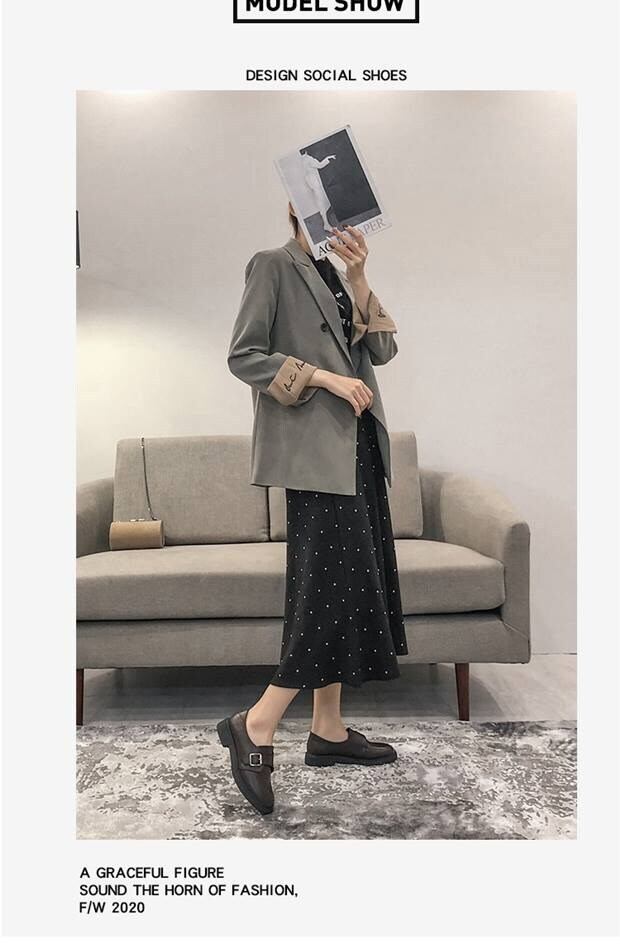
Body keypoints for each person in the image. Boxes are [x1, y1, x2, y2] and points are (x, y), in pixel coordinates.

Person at [218, 203, 408, 815]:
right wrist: (325, 378)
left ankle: (327, 729)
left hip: (359, 449)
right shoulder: (273, 265)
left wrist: (359, 276)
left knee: (345, 586)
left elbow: (383, 350)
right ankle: (256, 722)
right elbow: (244, 355)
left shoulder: (336, 274)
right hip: (314, 456)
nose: (340, 227)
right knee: (327, 590)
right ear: (299, 207)